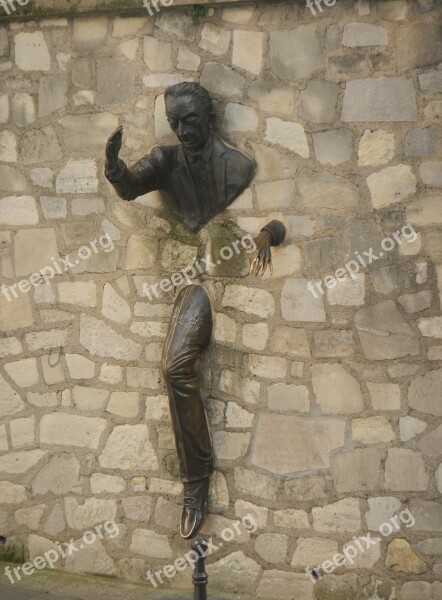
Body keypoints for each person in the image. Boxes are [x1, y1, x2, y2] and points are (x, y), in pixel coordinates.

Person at [105, 81, 286, 540]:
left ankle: (196, 480)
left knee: (174, 366)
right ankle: (195, 480)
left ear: (210, 118)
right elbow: (131, 185)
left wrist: (268, 233)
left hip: (216, 284)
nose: (182, 130)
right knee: (174, 366)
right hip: (188, 282)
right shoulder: (166, 160)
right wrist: (113, 168)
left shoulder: (237, 165)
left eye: (190, 121)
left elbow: (281, 221)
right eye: (174, 123)